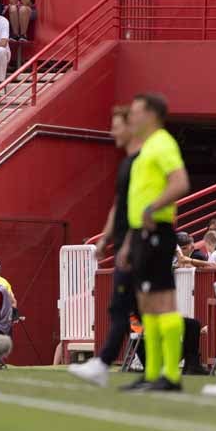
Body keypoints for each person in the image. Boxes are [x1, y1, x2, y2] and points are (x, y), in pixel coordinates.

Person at [67, 106, 143, 387]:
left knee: (126, 307)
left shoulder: (141, 163)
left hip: (137, 245)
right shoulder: (126, 163)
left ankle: (104, 363)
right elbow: (119, 206)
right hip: (126, 242)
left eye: (117, 126)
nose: (112, 132)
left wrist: (129, 244)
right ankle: (157, 368)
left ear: (131, 127)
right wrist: (105, 238)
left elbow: (142, 207)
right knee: (132, 308)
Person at [119, 92, 188, 392]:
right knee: (147, 304)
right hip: (141, 234)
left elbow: (180, 182)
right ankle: (153, 373)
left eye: (136, 111)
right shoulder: (146, 148)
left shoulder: (162, 144)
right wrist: (127, 243)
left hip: (157, 231)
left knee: (162, 301)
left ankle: (170, 374)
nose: (131, 117)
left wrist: (153, 207)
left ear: (152, 115)